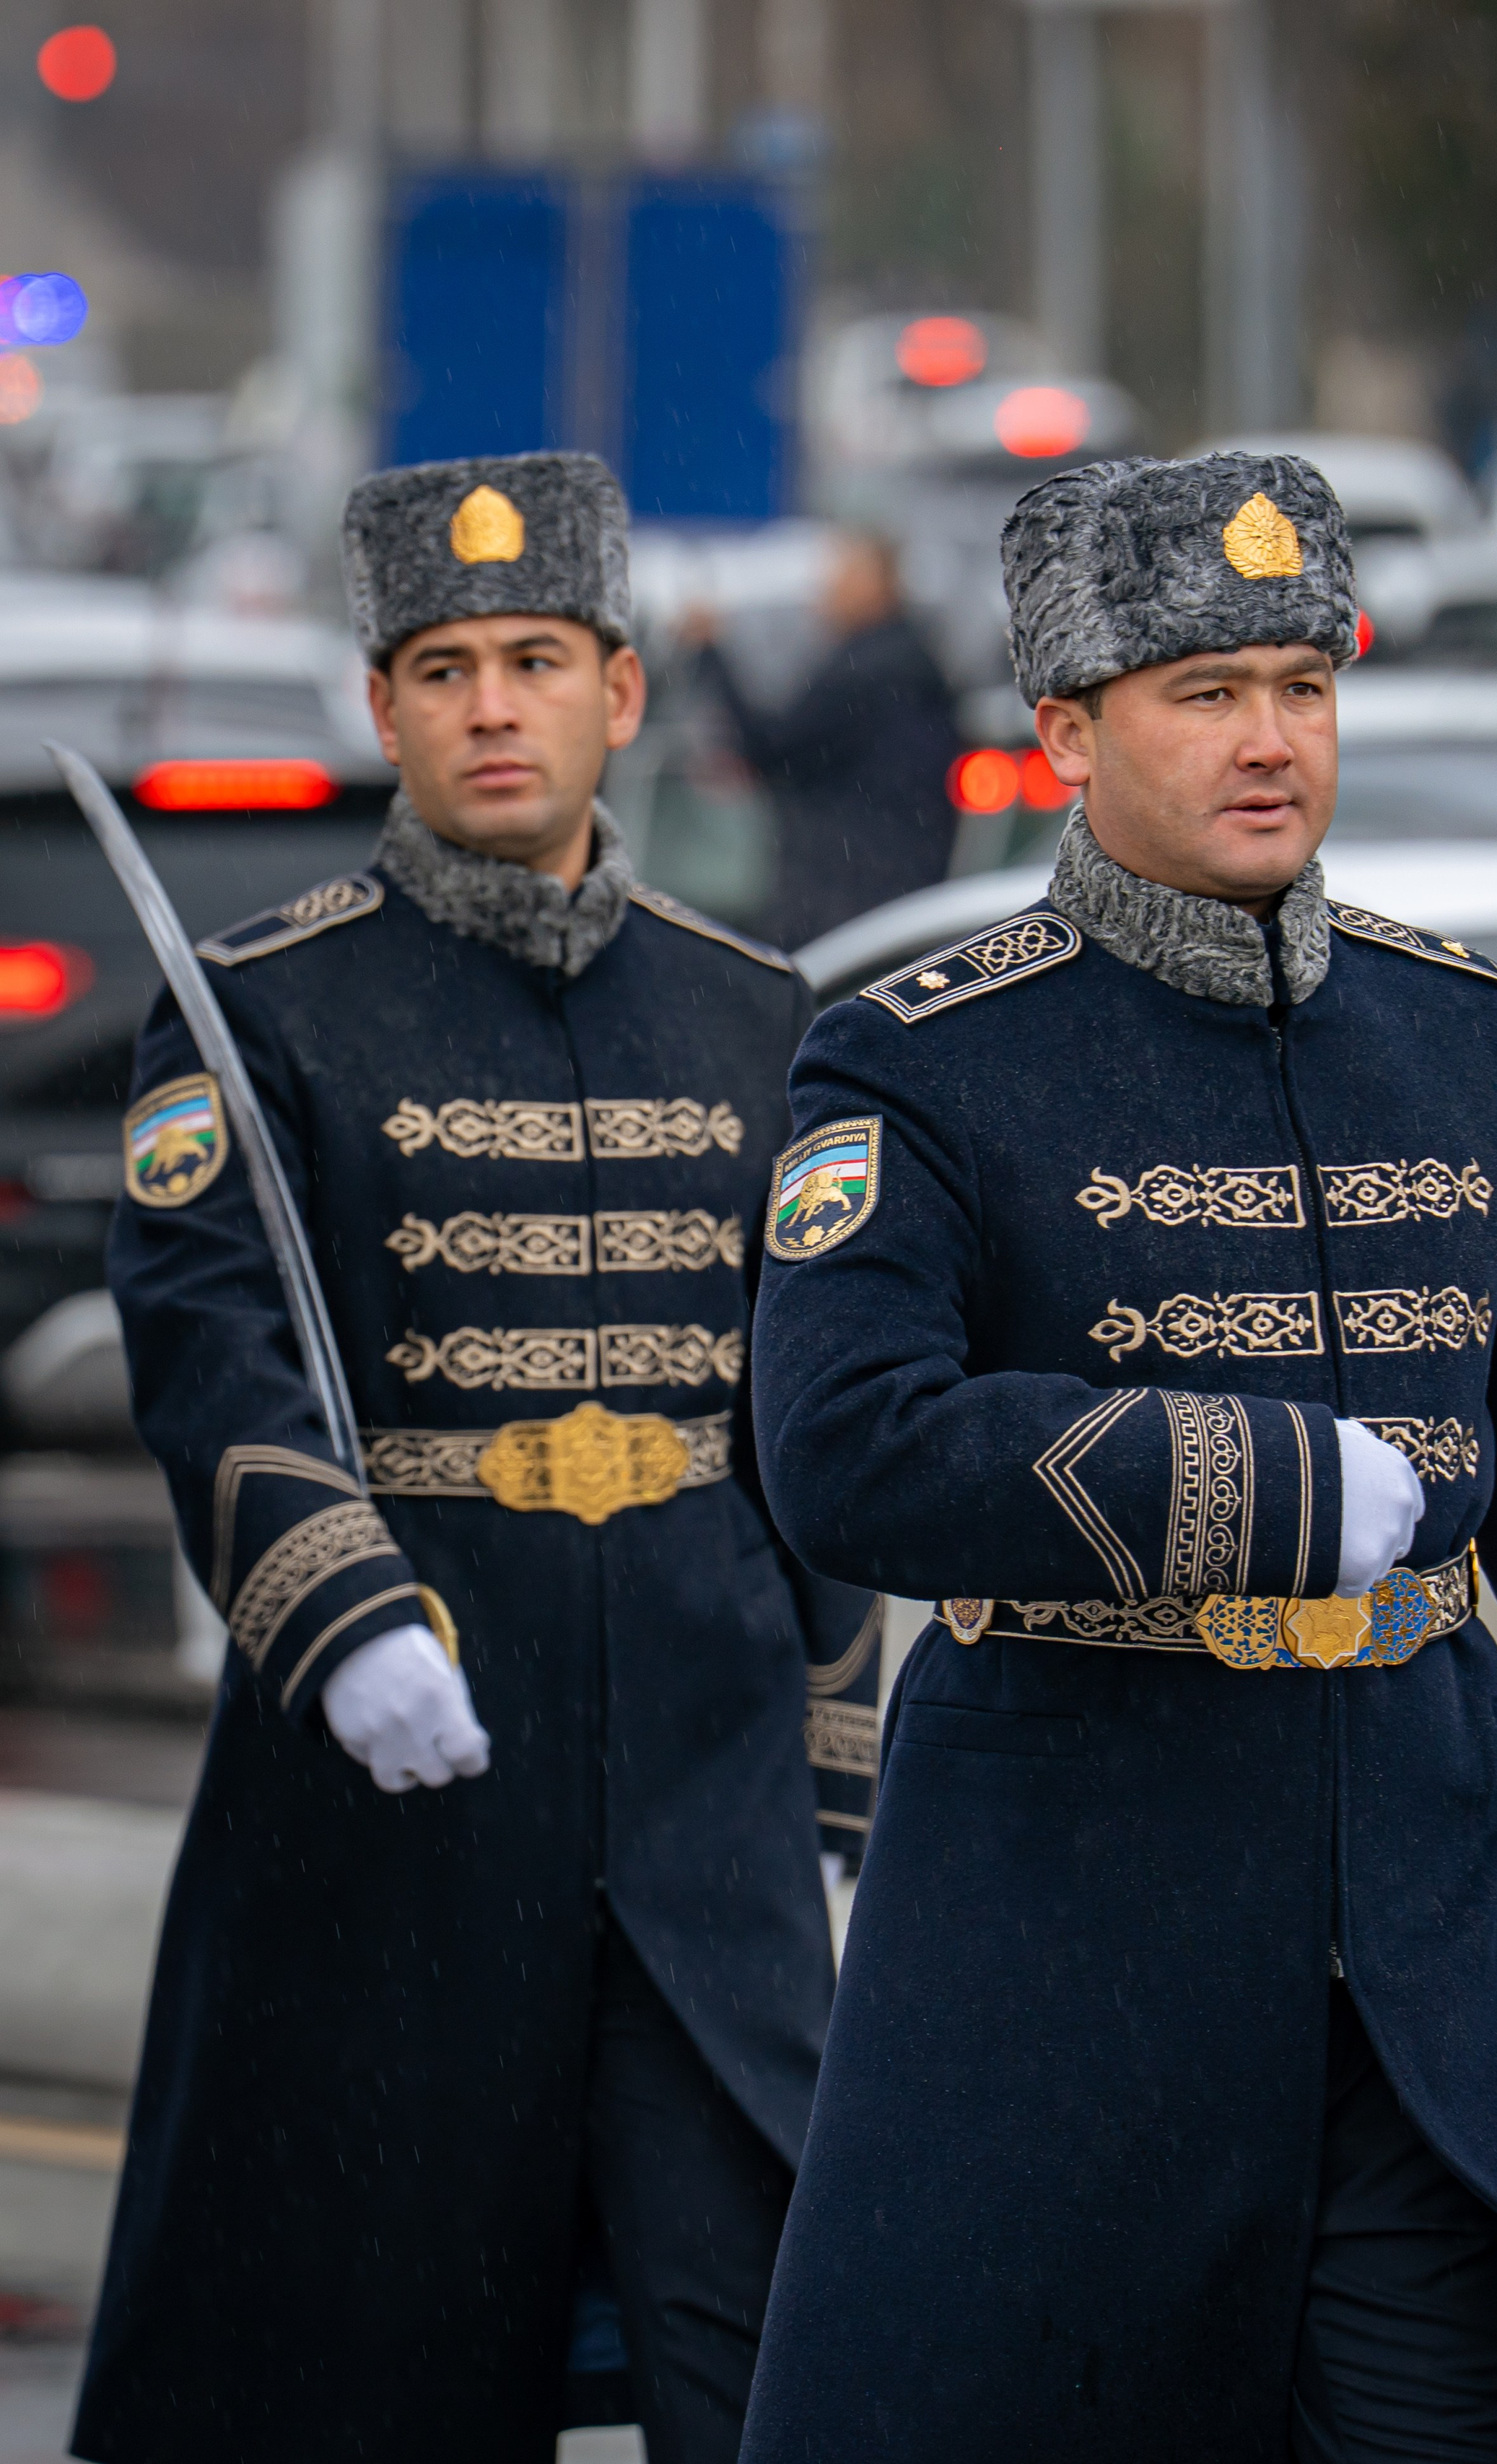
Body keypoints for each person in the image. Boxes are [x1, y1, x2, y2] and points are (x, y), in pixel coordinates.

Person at [739, 450, 1497, 2463]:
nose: (1270, 739)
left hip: (1426, 1936)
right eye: (1206, 690)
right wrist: (1268, 1485)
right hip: (1068, 1941)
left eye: (1305, 683)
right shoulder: (922, 1054)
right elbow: (846, 1447)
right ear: (1065, 727)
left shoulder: (1464, 1027)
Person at [74, 450, 878, 2464]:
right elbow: (212, 1349)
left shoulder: (755, 1008)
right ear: (387, 708)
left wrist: (843, 1762)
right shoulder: (259, 1013)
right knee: (385, 2369)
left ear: (623, 686)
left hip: (706, 1832)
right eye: (444, 666)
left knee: (778, 2361)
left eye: (537, 658)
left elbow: (810, 1414)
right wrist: (343, 1618)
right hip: (403, 1812)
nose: (493, 704)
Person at [690, 528, 961, 948]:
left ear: (878, 585)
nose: (826, 589)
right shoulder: (907, 658)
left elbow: (771, 748)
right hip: (892, 895)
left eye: (840, 576)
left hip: (841, 901)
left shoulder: (867, 669)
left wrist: (710, 652)